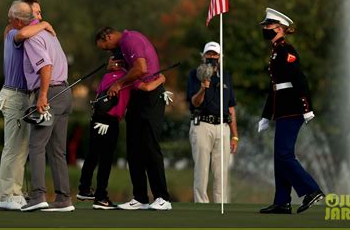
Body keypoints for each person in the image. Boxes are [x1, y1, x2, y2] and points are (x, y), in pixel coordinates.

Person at [77, 48, 167, 210]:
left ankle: (84, 188)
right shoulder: (127, 79)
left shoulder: (106, 76)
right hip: (109, 121)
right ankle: (101, 197)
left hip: (96, 119)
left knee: (93, 154)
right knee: (105, 160)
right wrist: (161, 79)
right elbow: (147, 88)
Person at [95, 27, 172, 211]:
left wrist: (119, 83)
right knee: (134, 148)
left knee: (150, 147)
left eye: (106, 47)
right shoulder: (122, 46)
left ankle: (162, 197)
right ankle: (140, 198)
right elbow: (126, 70)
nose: (108, 51)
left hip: (151, 97)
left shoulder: (130, 40)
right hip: (138, 97)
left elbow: (141, 68)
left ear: (108, 36)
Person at [257, 8, 324, 214]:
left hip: (292, 109)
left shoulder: (287, 51)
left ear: (280, 28)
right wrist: (265, 116)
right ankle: (282, 201)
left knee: (285, 155)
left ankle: (312, 191)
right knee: (280, 157)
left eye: (268, 26)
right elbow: (275, 87)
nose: (265, 29)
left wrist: (307, 108)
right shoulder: (276, 51)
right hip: (283, 110)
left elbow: (299, 79)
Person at [0, 0, 55, 211]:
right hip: (14, 95)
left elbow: (26, 30)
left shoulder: (18, 30)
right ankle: (7, 195)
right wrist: (44, 24)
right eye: (31, 16)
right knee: (13, 148)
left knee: (20, 149)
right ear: (19, 20)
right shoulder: (13, 33)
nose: (34, 19)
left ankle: (15, 192)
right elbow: (22, 33)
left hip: (21, 96)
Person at [20, 0, 74, 212]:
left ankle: (37, 196)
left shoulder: (33, 37)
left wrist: (42, 96)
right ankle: (63, 199)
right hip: (65, 93)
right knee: (57, 150)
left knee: (36, 145)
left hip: (50, 93)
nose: (39, 17)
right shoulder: (49, 34)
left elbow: (46, 66)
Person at [186, 42, 238, 203]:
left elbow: (231, 107)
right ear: (203, 56)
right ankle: (201, 205)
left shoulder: (226, 76)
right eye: (209, 54)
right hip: (202, 124)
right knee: (201, 169)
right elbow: (194, 102)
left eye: (215, 54)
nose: (212, 57)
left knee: (221, 171)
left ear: (220, 57)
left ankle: (220, 205)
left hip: (222, 127)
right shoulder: (195, 74)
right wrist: (203, 88)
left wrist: (235, 135)